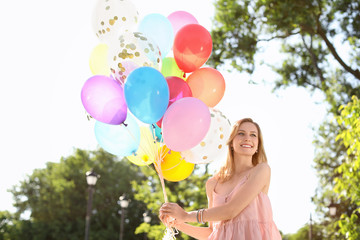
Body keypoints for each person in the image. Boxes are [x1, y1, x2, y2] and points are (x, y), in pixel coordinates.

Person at [159, 118, 282, 239]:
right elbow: (212, 232)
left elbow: (231, 210)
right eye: (241, 133)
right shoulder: (213, 183)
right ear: (231, 142)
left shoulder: (262, 170)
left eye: (253, 135)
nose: (247, 138)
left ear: (258, 145)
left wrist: (186, 216)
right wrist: (177, 223)